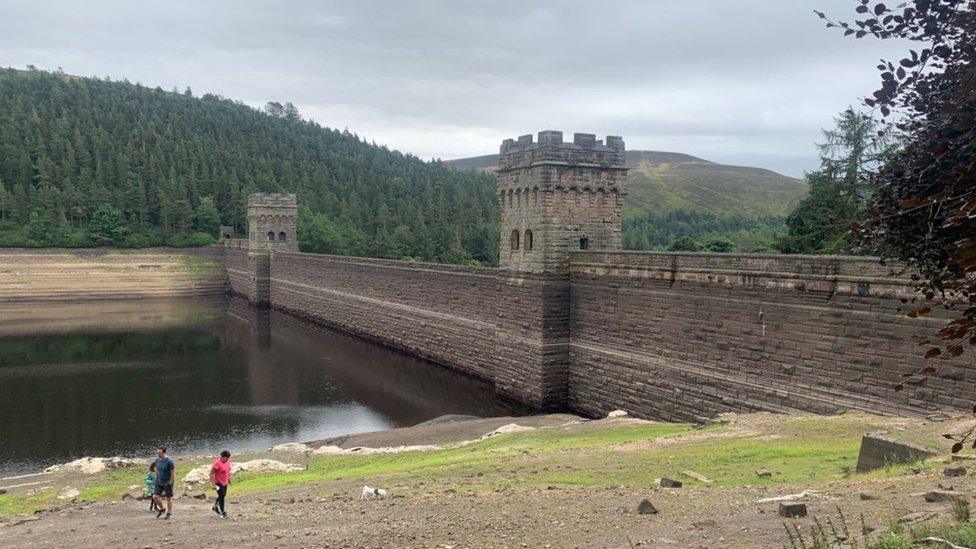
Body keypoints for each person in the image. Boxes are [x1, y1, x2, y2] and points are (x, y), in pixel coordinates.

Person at [152, 446, 176, 520]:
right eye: (157, 453)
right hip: (159, 481)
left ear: (164, 452)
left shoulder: (169, 461)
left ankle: (169, 513)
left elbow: (173, 472)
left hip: (167, 481)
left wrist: (171, 481)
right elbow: (155, 467)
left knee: (169, 497)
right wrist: (157, 476)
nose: (158, 454)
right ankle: (162, 509)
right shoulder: (157, 460)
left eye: (160, 453)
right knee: (155, 496)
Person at [209, 450, 232, 519]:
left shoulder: (228, 462)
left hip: (224, 482)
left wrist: (229, 479)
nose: (227, 459)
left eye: (228, 458)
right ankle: (222, 512)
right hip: (218, 483)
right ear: (221, 457)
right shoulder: (217, 463)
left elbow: (228, 471)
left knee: (223, 495)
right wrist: (213, 484)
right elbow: (211, 474)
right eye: (225, 457)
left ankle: (215, 507)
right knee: (221, 497)